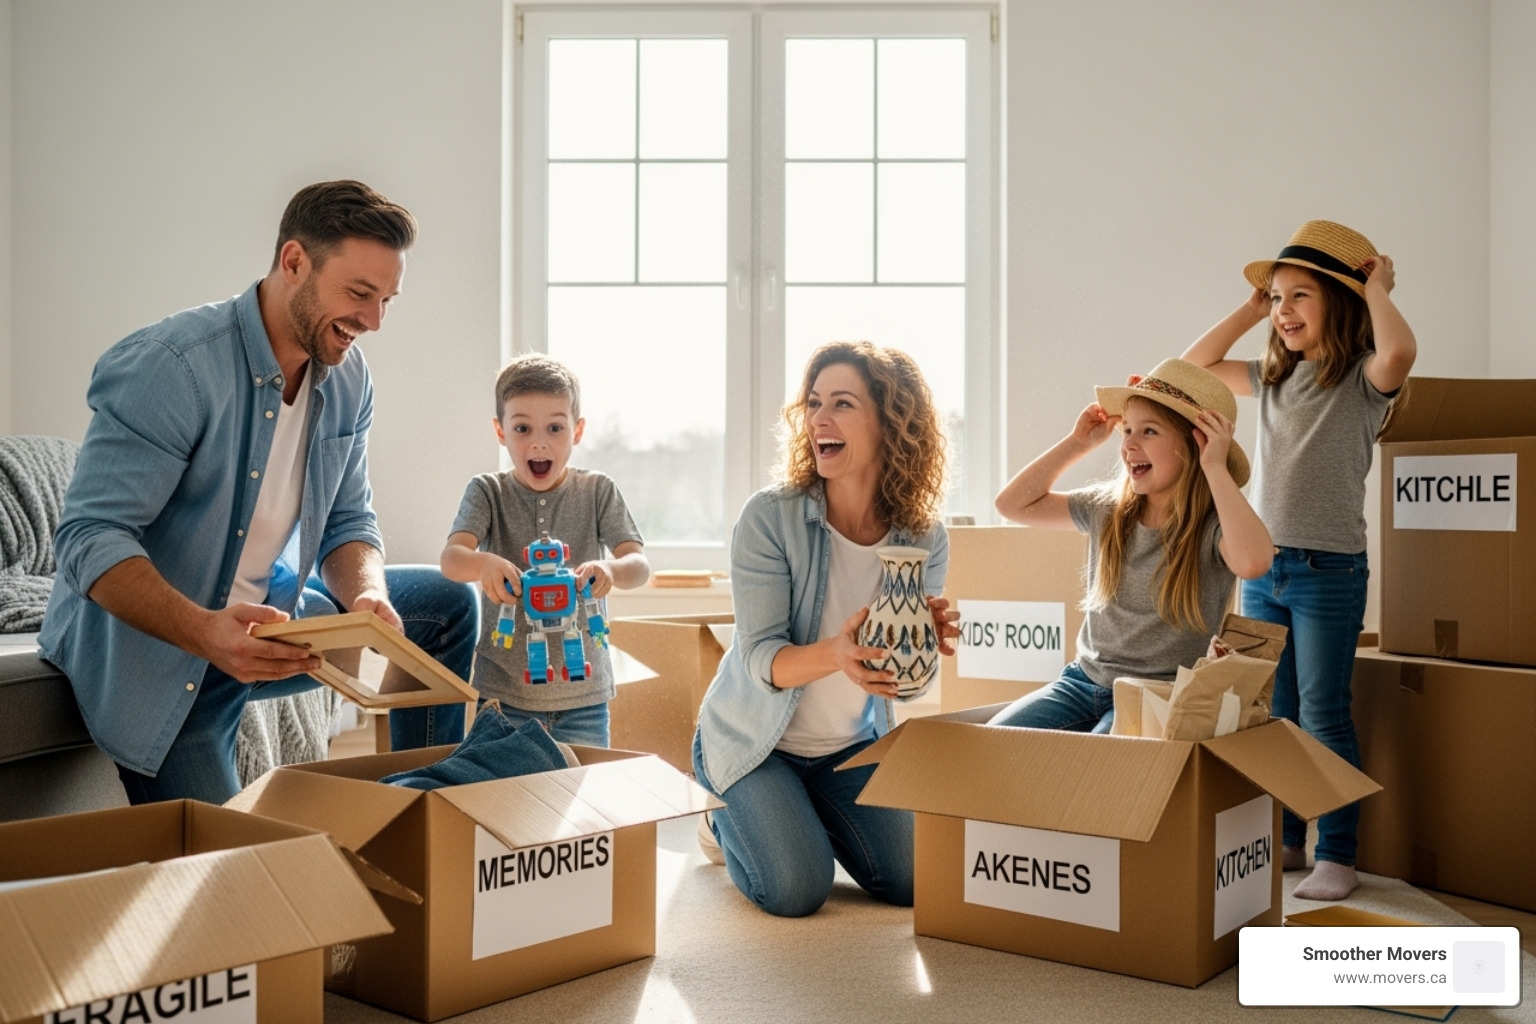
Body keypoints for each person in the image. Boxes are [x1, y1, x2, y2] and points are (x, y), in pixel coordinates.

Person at [39, 180, 478, 806]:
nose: (374, 322)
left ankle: (416, 807)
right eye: (359, 293)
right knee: (238, 871)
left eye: (387, 300)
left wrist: (367, 596)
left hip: (269, 622)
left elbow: (348, 518)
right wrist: (208, 634)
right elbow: (88, 538)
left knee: (446, 606)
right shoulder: (173, 367)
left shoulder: (348, 375)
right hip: (173, 649)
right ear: (294, 262)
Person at [1182, 220, 1417, 901]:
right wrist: (1250, 307)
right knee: (1273, 712)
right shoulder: (1273, 377)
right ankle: (1285, 838)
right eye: (1277, 298)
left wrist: (1377, 288)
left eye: (1299, 297)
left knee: (1323, 712)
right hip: (1264, 571)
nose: (1283, 310)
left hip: (1329, 573)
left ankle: (1336, 852)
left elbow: (1400, 349)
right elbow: (1192, 371)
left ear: (1340, 304)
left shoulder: (1361, 381)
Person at [692, 340, 961, 918]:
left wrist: (923, 649)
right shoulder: (770, 517)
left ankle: (800, 812)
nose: (819, 419)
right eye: (814, 403)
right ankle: (722, 817)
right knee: (796, 890)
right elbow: (762, 657)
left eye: (842, 404)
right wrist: (837, 653)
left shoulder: (923, 536)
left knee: (914, 879)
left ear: (892, 424)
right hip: (753, 744)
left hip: (846, 749)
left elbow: (904, 688)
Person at [987, 358, 1273, 734]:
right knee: (994, 741)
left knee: (1103, 759)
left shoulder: (1213, 525)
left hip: (1156, 693)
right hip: (1082, 683)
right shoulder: (1107, 509)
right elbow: (1012, 505)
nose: (1129, 445)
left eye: (1149, 432)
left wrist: (1216, 468)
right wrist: (1077, 444)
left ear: (1195, 446)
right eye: (1127, 431)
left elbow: (1253, 563)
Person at [439, 354, 649, 746]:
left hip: (585, 698)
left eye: (555, 427)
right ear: (500, 431)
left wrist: (611, 571)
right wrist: (483, 563)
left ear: (578, 430)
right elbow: (452, 560)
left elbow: (638, 564)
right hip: (503, 697)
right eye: (522, 428)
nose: (539, 441)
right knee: (503, 800)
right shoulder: (487, 491)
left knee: (580, 800)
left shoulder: (597, 490)